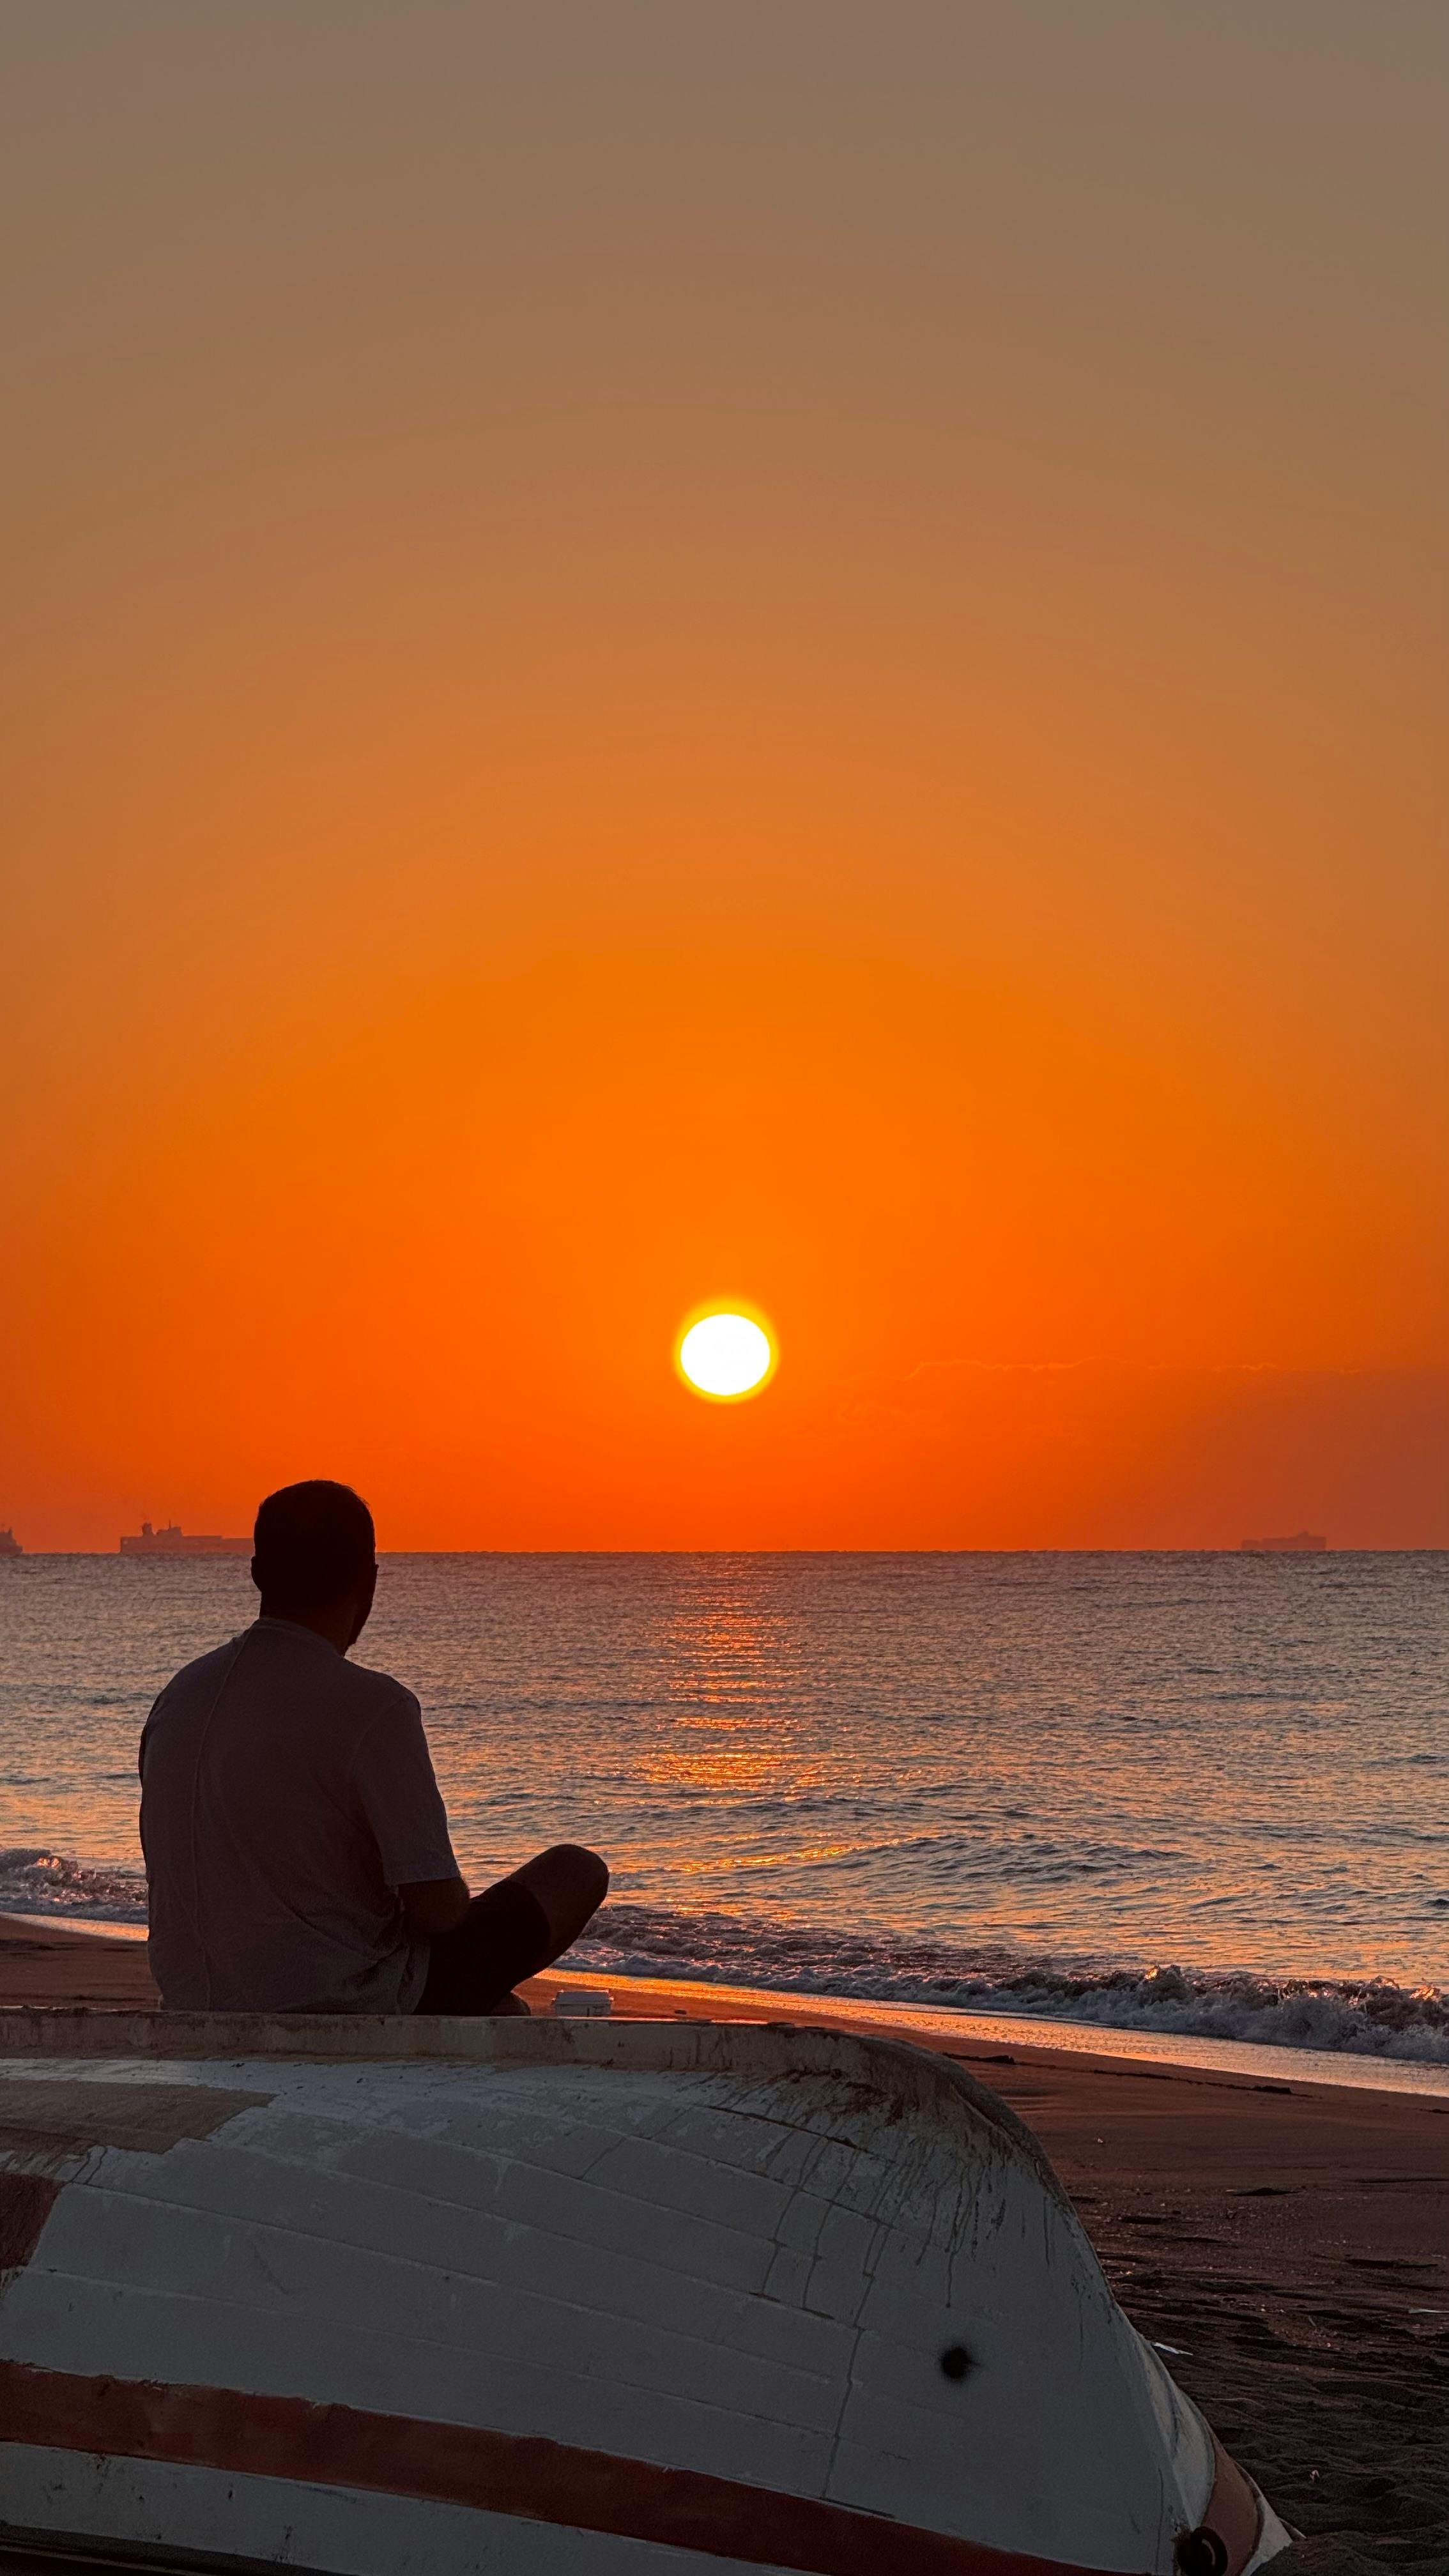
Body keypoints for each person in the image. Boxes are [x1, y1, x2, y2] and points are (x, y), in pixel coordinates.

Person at [139, 1478, 608, 2014]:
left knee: (501, 2010)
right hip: (338, 2005)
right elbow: (436, 1910)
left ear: (256, 1574)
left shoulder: (180, 1696)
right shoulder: (373, 1707)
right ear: (371, 1581)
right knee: (576, 1871)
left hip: (194, 2001)